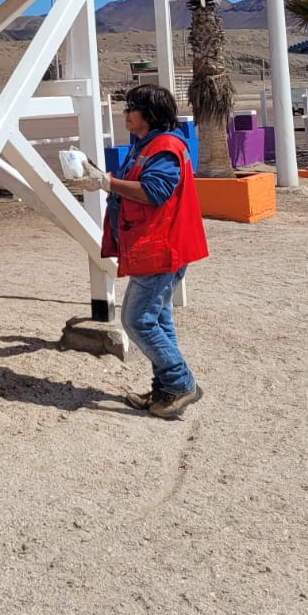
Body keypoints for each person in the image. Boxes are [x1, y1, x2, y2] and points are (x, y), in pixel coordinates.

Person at [69, 83, 208, 418]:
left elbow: (154, 192)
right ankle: (166, 390)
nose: (125, 112)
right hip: (152, 246)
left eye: (132, 107)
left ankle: (180, 383)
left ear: (150, 113)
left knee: (136, 320)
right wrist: (102, 178)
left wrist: (106, 183)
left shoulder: (164, 147)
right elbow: (136, 185)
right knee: (158, 318)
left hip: (162, 249)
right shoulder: (145, 145)